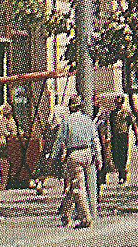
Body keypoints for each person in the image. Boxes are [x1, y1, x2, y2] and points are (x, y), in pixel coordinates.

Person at [51, 96, 100, 229]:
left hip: (74, 155)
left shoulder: (67, 122)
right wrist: (98, 157)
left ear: (70, 107)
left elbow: (60, 139)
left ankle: (86, 217)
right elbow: (95, 139)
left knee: (78, 187)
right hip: (87, 153)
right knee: (74, 185)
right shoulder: (87, 120)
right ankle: (65, 214)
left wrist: (53, 156)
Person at [103, 100, 131, 185]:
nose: (118, 105)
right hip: (115, 136)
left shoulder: (126, 112)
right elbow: (109, 125)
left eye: (120, 103)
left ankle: (122, 174)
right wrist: (108, 136)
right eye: (117, 103)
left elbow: (131, 124)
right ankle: (120, 171)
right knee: (115, 156)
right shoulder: (113, 113)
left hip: (123, 135)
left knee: (123, 154)